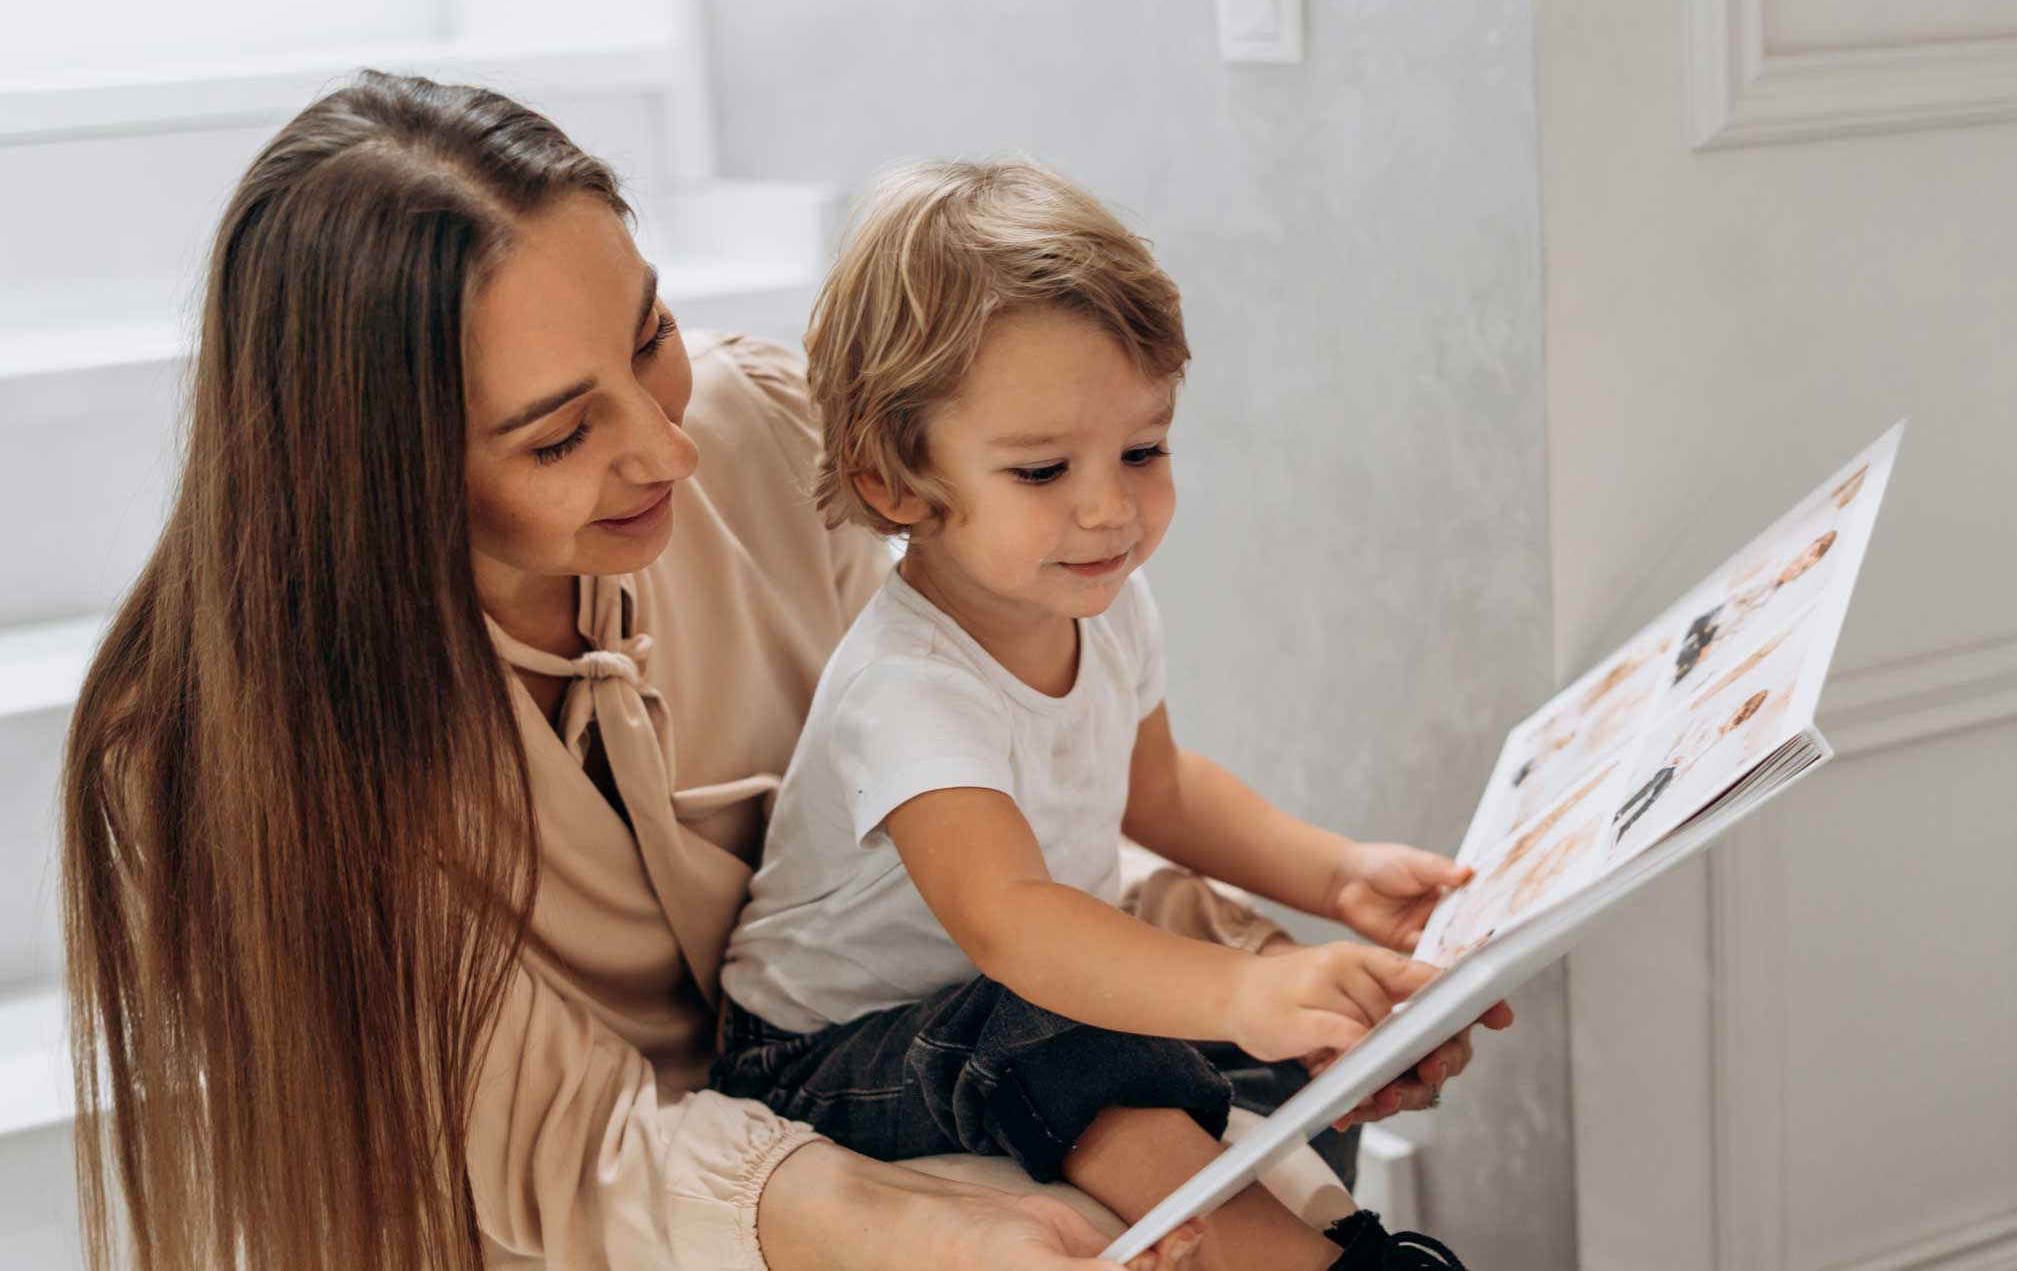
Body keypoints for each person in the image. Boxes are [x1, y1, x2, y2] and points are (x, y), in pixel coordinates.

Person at [58, 74, 1501, 1271]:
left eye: (652, 337)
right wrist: (899, 1219)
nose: (670, 449)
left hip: (918, 1051)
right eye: (562, 435)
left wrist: (1284, 977)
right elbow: (569, 1160)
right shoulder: (209, 762)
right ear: (368, 476)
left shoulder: (772, 434)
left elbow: (982, 835)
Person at [714, 161, 1502, 1271]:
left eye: (1143, 450)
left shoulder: (1109, 603)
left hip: (995, 996)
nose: (1109, 507)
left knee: (1288, 1038)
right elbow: (1011, 922)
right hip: (825, 1054)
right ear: (892, 482)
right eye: (1042, 470)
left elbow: (1160, 790)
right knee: (1064, 1032)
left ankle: (1311, 1209)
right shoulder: (908, 686)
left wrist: (1334, 876)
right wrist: (1239, 993)